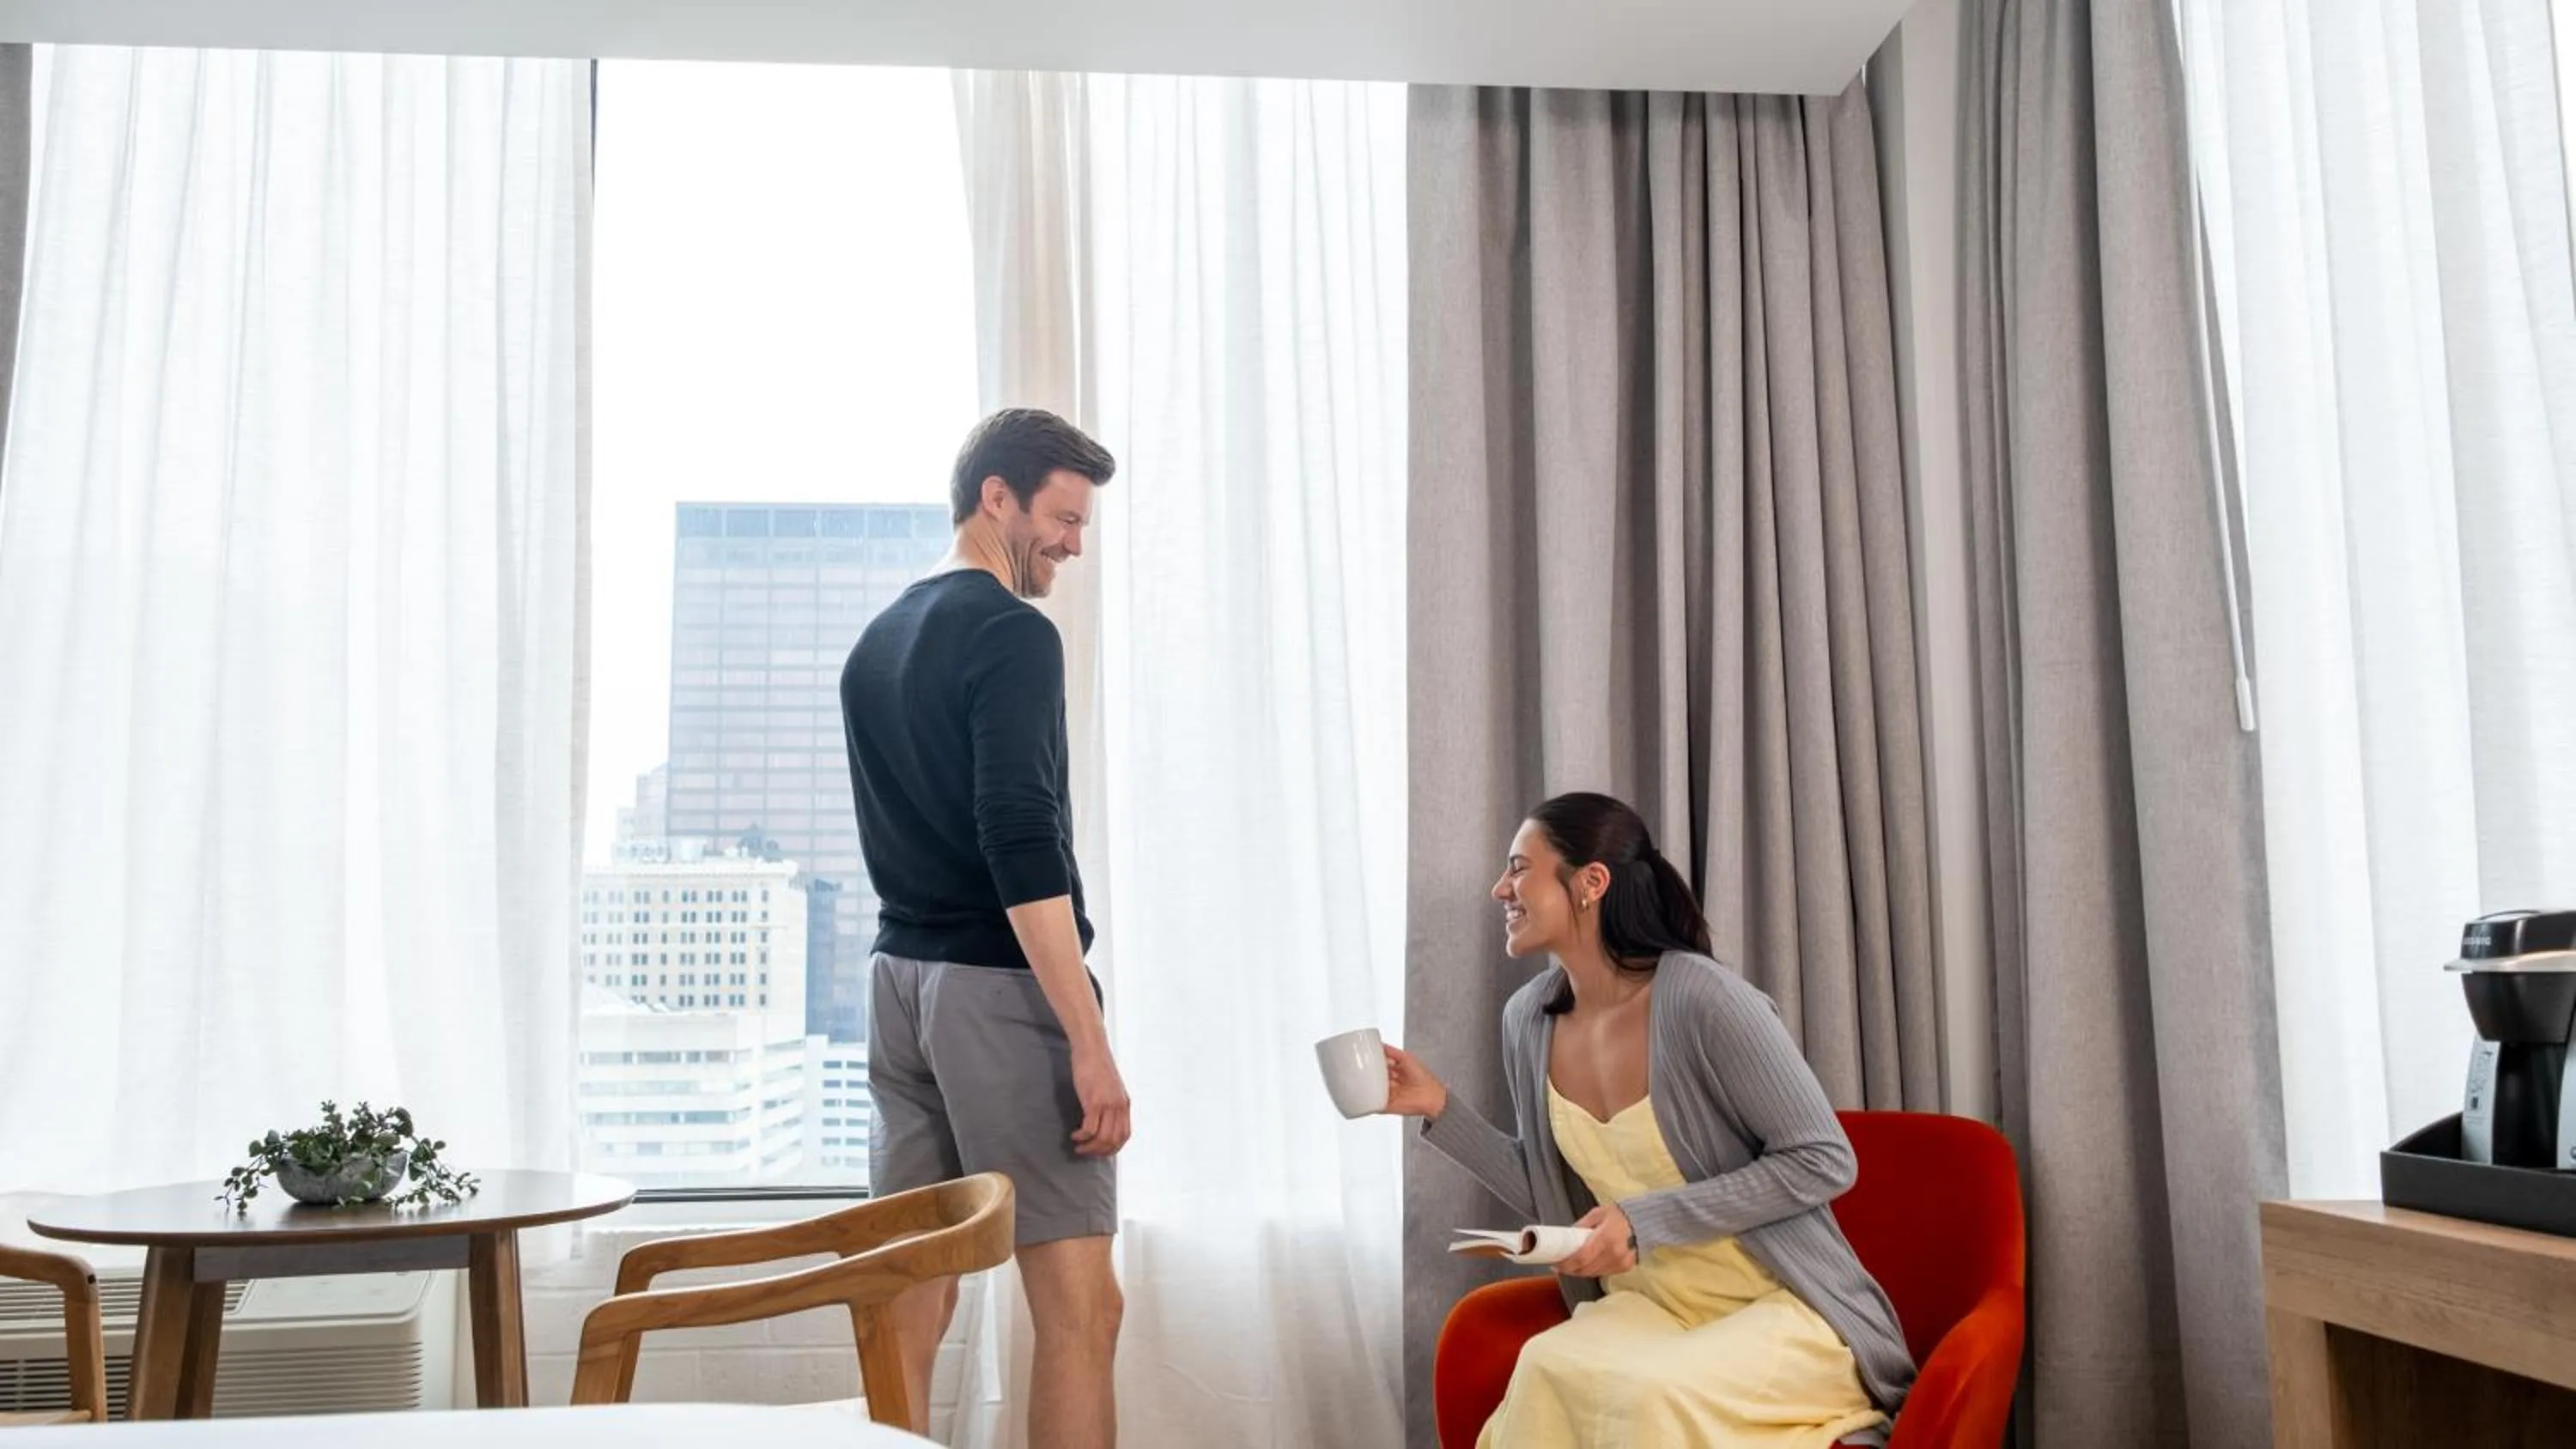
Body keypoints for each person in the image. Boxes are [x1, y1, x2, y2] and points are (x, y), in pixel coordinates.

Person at [1382, 792, 1915, 1447]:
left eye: (1519, 868)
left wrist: (1646, 1221)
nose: (1500, 889)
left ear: (1590, 883)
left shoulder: (1704, 1001)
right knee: (1544, 1368)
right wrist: (1437, 1107)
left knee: (1646, 1398)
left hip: (1779, 1302)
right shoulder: (1527, 1021)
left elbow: (1824, 1157)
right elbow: (1556, 1195)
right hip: (1655, 1306)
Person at [841, 407, 1129, 1447]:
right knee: (1081, 1308)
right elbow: (1019, 837)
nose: (1073, 544)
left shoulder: (876, 643)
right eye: (1061, 516)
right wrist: (1087, 1041)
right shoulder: (1013, 633)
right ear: (993, 497)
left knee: (908, 1298)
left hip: (897, 985)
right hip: (998, 990)